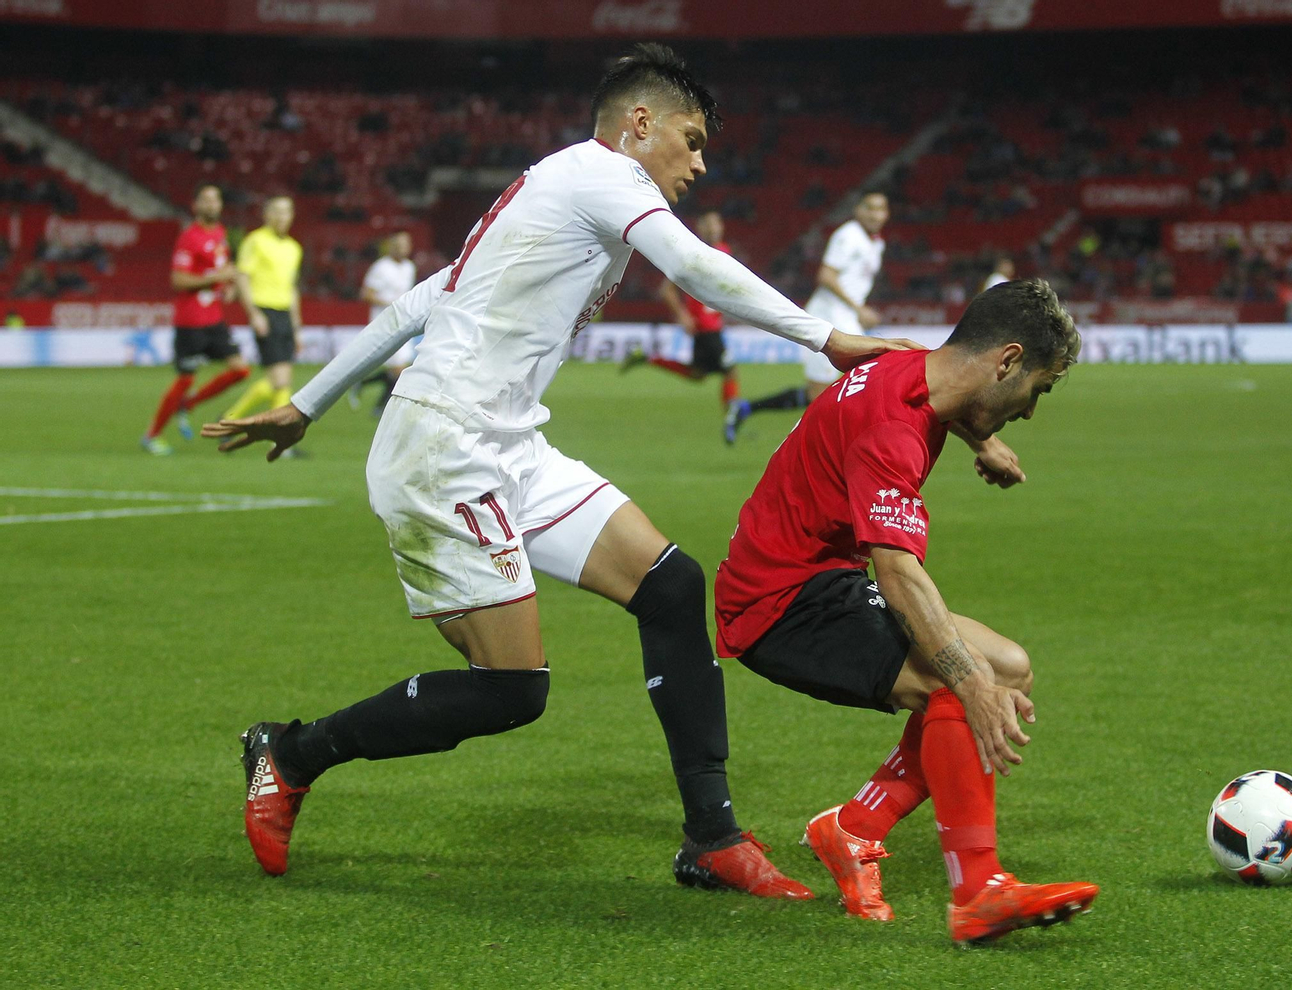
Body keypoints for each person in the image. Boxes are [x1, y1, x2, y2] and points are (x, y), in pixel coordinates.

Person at [204, 43, 914, 896]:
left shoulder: (551, 189)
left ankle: (712, 838)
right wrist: (825, 336)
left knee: (673, 585)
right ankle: (290, 752)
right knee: (513, 690)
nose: (700, 162)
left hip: (509, 444)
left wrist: (307, 404)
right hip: (443, 449)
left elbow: (424, 298)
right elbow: (691, 266)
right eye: (689, 140)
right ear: (637, 124)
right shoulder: (602, 176)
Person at [714, 278, 1098, 946]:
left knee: (1010, 667)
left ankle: (853, 829)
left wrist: (983, 442)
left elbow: (944, 395)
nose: (1031, 412)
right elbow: (898, 573)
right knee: (967, 674)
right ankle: (978, 892)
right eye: (1038, 389)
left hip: (814, 575)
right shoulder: (892, 429)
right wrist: (969, 685)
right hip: (778, 603)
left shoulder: (908, 365)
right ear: (1007, 361)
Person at [727, 191, 888, 437]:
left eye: (880, 209)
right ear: (858, 210)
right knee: (865, 373)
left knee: (829, 389)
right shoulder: (848, 235)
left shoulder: (877, 243)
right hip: (830, 315)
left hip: (847, 316)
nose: (875, 214)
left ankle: (747, 408)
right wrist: (859, 308)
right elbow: (826, 276)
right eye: (869, 208)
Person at [141, 183, 250, 455]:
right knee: (185, 379)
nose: (212, 205)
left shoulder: (222, 234)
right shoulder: (189, 237)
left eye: (216, 200)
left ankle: (188, 404)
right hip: (190, 321)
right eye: (206, 200)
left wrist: (230, 286)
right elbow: (178, 280)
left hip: (214, 318)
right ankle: (152, 435)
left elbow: (223, 270)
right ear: (196, 206)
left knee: (240, 370)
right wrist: (216, 279)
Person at [620, 211, 744, 443]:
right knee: (730, 372)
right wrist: (683, 315)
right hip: (706, 328)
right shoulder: (692, 252)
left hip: (711, 325)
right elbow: (666, 290)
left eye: (718, 222)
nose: (715, 227)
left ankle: (648, 358)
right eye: (709, 223)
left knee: (697, 374)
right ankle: (732, 419)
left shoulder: (723, 250)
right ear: (700, 226)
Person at [223, 196, 303, 426]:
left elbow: (292, 288)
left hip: (285, 314)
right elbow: (242, 277)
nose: (281, 216)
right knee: (279, 380)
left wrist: (297, 326)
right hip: (265, 311)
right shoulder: (255, 241)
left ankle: (238, 423)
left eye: (286, 211)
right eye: (276, 211)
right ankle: (232, 419)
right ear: (266, 214)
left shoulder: (293, 248)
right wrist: (254, 313)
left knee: (282, 381)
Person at [353, 231, 418, 413]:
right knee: (398, 369)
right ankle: (382, 405)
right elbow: (366, 294)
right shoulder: (381, 267)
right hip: (384, 322)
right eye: (399, 245)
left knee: (400, 368)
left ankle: (366, 388)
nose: (403, 248)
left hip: (404, 321)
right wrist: (391, 304)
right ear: (391, 246)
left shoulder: (409, 267)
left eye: (406, 245)